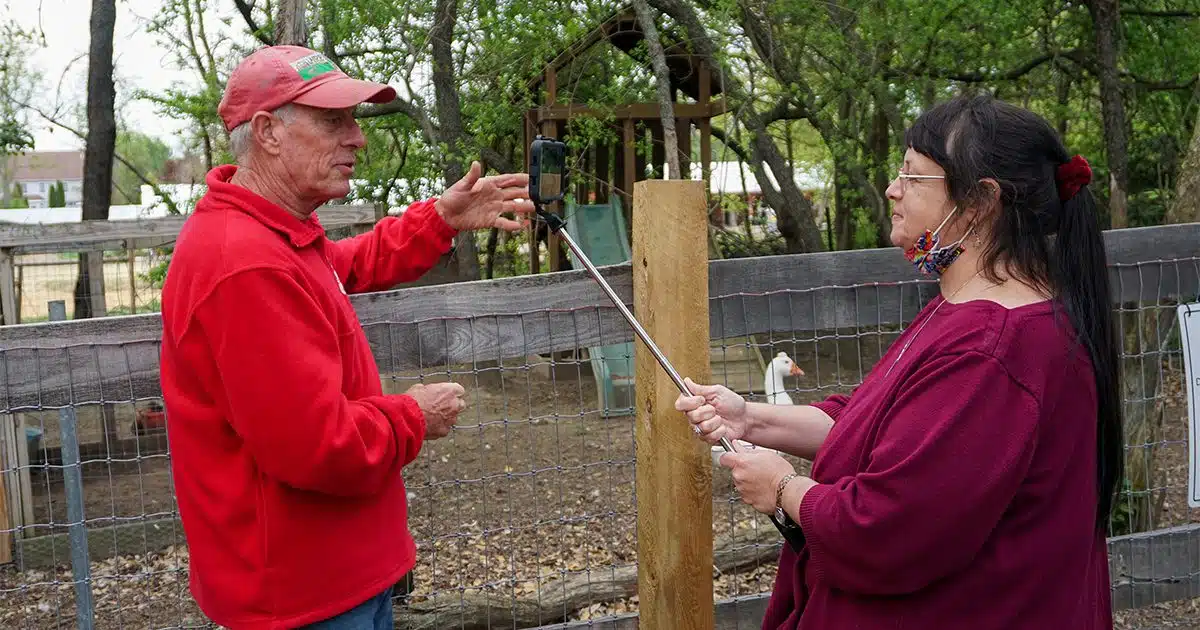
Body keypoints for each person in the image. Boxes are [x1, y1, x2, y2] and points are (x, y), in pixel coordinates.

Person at [677, 94, 1122, 629]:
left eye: (914, 177)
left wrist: (782, 489)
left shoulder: (994, 348)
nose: (893, 189)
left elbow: (886, 530)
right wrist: (748, 418)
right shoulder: (965, 310)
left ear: (980, 202)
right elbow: (874, 425)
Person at [159, 45, 534, 629]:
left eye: (353, 120)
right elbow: (317, 445)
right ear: (268, 132)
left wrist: (439, 218)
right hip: (304, 596)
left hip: (331, 576)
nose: (357, 137)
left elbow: (346, 264)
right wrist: (413, 415)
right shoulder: (246, 263)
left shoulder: (274, 234)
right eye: (333, 121)